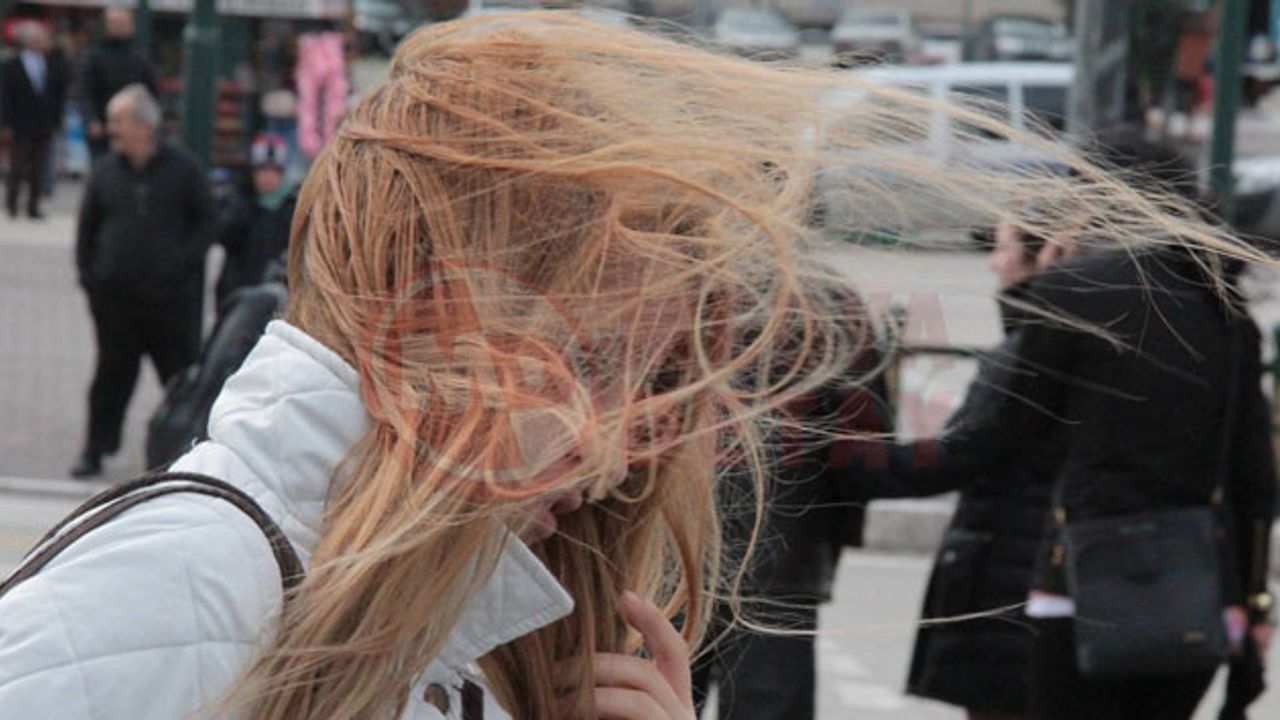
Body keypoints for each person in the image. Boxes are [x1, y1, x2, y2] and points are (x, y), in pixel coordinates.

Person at [0, 14, 1259, 720]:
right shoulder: (180, 595)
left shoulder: (473, 603)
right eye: (600, 366)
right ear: (445, 325)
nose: (625, 447)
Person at [862, 129, 1275, 720]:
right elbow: (1253, 476)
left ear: (1101, 203)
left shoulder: (1074, 293)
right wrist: (1257, 604)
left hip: (1082, 583)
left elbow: (999, 432)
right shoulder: (1224, 312)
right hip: (1192, 589)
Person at [693, 286, 892, 720]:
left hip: (668, 551)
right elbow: (863, 455)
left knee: (650, 696)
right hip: (784, 555)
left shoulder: (673, 280)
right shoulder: (828, 301)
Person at [71, 84, 213, 478]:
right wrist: (90, 278)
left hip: (168, 301)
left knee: (180, 378)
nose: (112, 129)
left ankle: (189, 449)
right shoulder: (105, 171)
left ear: (144, 125)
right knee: (111, 377)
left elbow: (206, 221)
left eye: (119, 120)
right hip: (115, 301)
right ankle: (95, 448)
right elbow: (87, 229)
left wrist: (180, 265)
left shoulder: (183, 168)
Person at [214, 133, 296, 313]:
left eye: (274, 171)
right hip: (238, 294)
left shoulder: (292, 209)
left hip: (277, 298)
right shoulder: (239, 202)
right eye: (262, 170)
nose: (267, 177)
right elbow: (223, 235)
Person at [1, 21, 67, 219]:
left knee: (39, 166)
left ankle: (33, 205)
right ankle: (12, 203)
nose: (44, 43)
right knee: (17, 164)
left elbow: (58, 95)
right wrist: (5, 123)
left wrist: (57, 120)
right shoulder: (11, 65)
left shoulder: (53, 65)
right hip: (20, 123)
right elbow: (5, 96)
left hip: (44, 123)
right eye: (39, 40)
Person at [79, 6, 155, 161]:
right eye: (114, 23)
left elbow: (151, 91)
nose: (118, 27)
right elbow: (86, 91)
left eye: (123, 23)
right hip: (101, 127)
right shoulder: (94, 55)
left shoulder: (139, 56)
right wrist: (91, 119)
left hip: (134, 127)